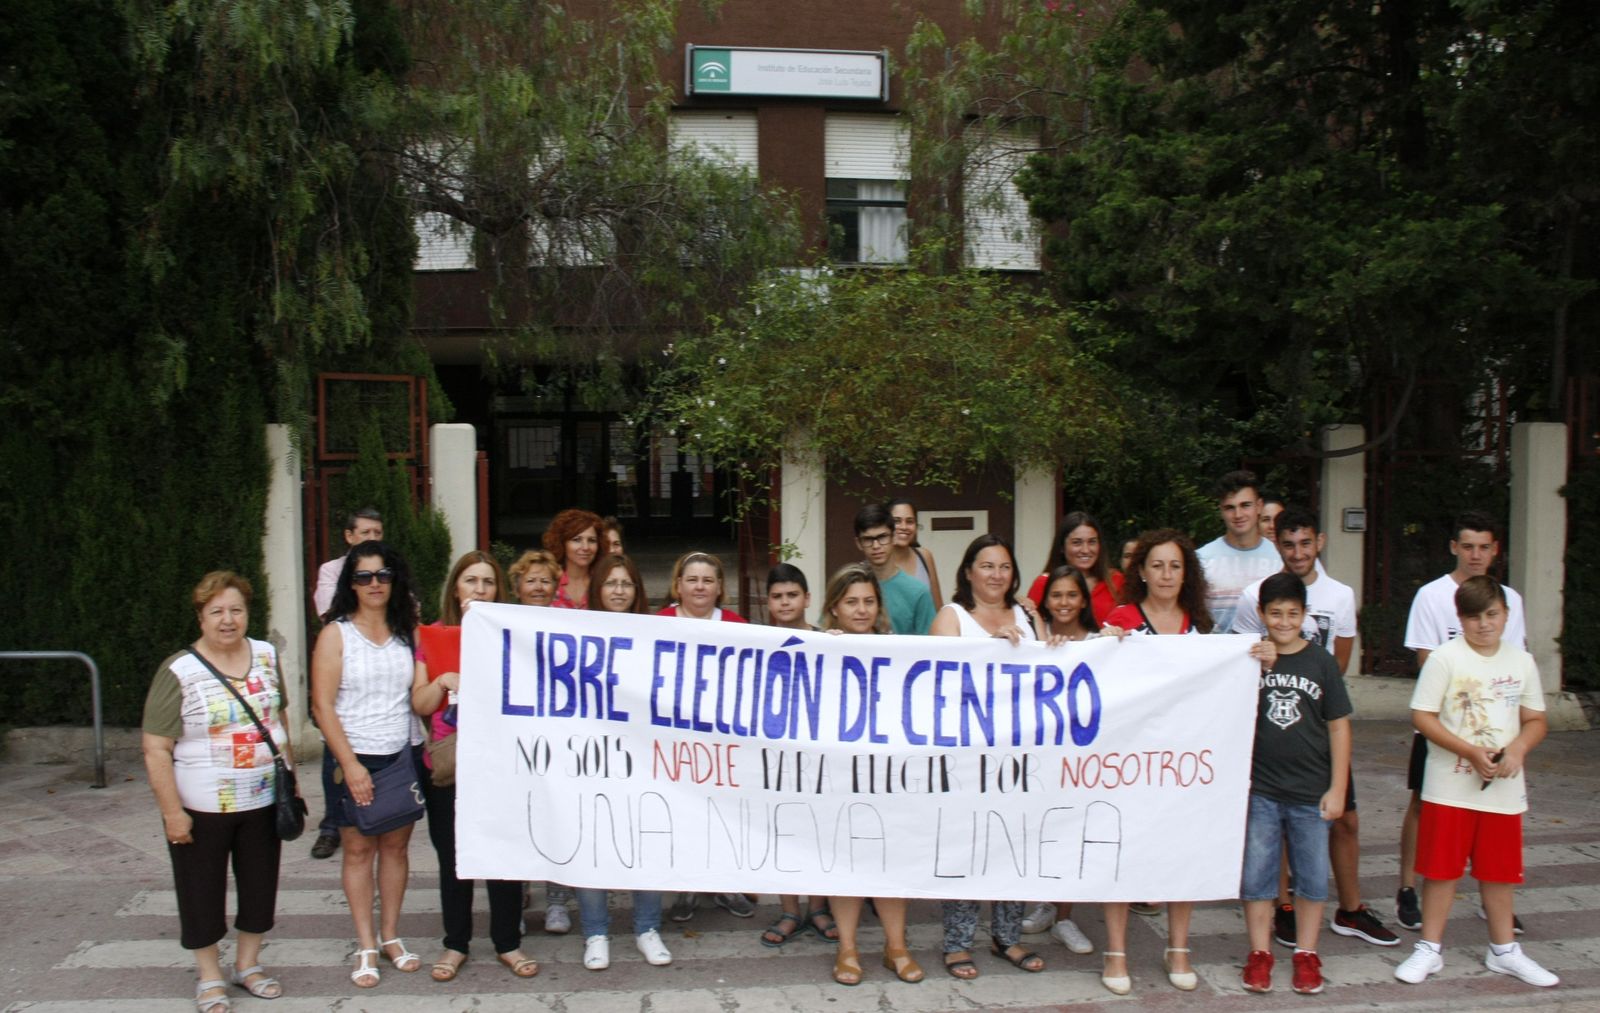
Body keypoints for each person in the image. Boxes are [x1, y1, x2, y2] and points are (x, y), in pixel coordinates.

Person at [1232, 508, 1397, 948]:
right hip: (1269, 752)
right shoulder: (1254, 596)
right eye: (1289, 544)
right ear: (1277, 543)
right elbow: (1238, 658)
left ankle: (1350, 909)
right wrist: (1261, 655)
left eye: (1305, 543)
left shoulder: (1340, 596)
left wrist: (1308, 677)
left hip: (1318, 732)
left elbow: (1338, 664)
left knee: (1339, 821)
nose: (1298, 552)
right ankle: (1280, 913)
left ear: (1319, 542)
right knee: (1271, 830)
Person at [143, 572, 296, 1011]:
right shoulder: (179, 670)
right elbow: (155, 747)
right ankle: (210, 975)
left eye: (236, 610)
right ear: (201, 617)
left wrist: (290, 779)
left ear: (248, 613)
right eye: (217, 612)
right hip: (201, 806)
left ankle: (248, 965)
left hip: (264, 800)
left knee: (259, 886)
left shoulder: (267, 655)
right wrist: (173, 813)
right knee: (201, 890)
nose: (227, 620)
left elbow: (277, 719)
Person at [1393, 577, 1556, 988]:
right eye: (1474, 616)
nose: (1484, 624)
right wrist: (1468, 751)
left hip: (1503, 787)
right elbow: (1423, 716)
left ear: (1505, 615)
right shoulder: (1445, 659)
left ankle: (1504, 950)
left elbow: (1536, 719)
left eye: (1492, 615)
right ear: (1460, 619)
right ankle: (1429, 948)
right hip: (1449, 785)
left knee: (1499, 872)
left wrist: (1518, 749)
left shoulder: (1521, 662)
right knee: (1441, 869)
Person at [1099, 529, 1239, 993]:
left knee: (1184, 853)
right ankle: (1115, 952)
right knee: (1121, 854)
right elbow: (1097, 676)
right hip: (1128, 762)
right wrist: (1103, 646)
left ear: (1187, 574)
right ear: (1140, 571)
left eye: (1175, 566)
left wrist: (1252, 656)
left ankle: (1178, 947)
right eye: (1156, 565)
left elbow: (1221, 682)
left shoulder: (1199, 625)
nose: (1166, 574)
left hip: (1181, 765)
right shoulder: (1121, 619)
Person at [1396, 512, 1529, 934]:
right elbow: (1425, 658)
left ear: (1495, 550)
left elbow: (1514, 661)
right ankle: (1407, 889)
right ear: (1454, 547)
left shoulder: (1510, 599)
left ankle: (1496, 908)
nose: (1476, 554)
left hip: (1494, 733)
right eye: (1468, 546)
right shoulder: (1431, 596)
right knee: (1425, 804)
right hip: (1444, 727)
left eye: (1484, 547)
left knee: (1493, 817)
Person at [411, 551, 540, 982]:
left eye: (487, 583)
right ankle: (455, 944)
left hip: (501, 763)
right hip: (449, 764)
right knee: (453, 856)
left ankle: (507, 942)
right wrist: (443, 680)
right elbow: (420, 703)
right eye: (471, 581)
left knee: (500, 852)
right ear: (455, 589)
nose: (479, 590)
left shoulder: (516, 636)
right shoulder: (429, 637)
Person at [930, 534, 1048, 979]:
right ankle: (958, 942)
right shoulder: (952, 617)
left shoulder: (1028, 614)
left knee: (1013, 843)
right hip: (967, 756)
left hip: (1019, 753)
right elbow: (938, 682)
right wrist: (987, 648)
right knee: (967, 845)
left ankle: (1007, 937)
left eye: (1004, 567)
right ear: (967, 572)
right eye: (987, 566)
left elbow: (1052, 670)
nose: (997, 575)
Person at [311, 541, 424, 988]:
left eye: (382, 575)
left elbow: (417, 693)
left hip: (400, 755)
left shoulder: (407, 631)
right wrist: (352, 765)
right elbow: (322, 707)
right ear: (350, 584)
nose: (374, 584)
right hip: (350, 757)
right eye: (363, 577)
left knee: (396, 850)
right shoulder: (335, 634)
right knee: (358, 851)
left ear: (394, 579)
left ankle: (392, 936)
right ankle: (366, 944)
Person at [1239, 573, 1352, 995]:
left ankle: (1306, 952)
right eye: (1274, 613)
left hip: (1311, 790)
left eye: (1292, 613)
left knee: (1311, 877)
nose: (1284, 621)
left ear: (1305, 614)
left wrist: (1337, 787)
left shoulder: (1321, 661)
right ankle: (1259, 952)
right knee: (1257, 877)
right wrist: (1255, 664)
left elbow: (1339, 727)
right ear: (1261, 615)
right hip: (1262, 790)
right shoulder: (1248, 657)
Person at [818, 563, 924, 985]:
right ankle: (847, 948)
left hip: (889, 774)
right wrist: (819, 650)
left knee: (891, 860)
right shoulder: (819, 647)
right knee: (846, 861)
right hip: (839, 775)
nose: (861, 610)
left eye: (868, 601)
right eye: (851, 602)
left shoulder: (898, 648)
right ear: (834, 608)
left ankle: (895, 946)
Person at [573, 553, 675, 970]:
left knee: (644, 841)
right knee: (592, 843)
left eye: (626, 584)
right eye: (611, 583)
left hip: (643, 757)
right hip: (591, 757)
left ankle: (647, 928)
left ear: (637, 591)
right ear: (597, 588)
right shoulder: (576, 633)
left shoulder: (655, 634)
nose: (618, 591)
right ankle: (595, 933)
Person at [655, 551, 754, 921]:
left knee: (723, 813)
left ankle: (726, 882)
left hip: (723, 738)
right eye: (692, 579)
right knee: (683, 811)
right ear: (678, 585)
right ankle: (686, 886)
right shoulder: (658, 622)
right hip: (673, 737)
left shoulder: (736, 624)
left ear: (719, 588)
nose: (699, 586)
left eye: (707, 580)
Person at [754, 563, 840, 947]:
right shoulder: (752, 643)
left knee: (820, 833)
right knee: (782, 831)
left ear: (807, 598)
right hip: (774, 755)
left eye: (792, 595)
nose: (785, 602)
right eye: (777, 596)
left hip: (821, 755)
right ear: (768, 602)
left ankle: (819, 908)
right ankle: (790, 910)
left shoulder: (830, 640)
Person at [1022, 566, 1102, 954]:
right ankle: (1044, 903)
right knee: (1042, 833)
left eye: (1072, 595)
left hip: (1081, 760)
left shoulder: (1098, 642)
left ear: (1083, 601)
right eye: (1057, 595)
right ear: (1045, 600)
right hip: (1040, 756)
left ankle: (1066, 916)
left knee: (1072, 836)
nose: (1065, 603)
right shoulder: (1033, 640)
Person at [309, 507, 384, 861]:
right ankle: (331, 827)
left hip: (380, 672)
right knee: (335, 758)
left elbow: (409, 610)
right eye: (365, 533)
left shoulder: (389, 569)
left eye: (377, 533)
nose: (371, 539)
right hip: (343, 669)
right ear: (349, 536)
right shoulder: (331, 571)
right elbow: (330, 613)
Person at [507, 546, 575, 931]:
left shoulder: (571, 625)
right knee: (517, 823)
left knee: (556, 822)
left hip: (558, 741)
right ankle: (514, 901)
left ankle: (557, 902)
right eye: (530, 580)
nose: (537, 586)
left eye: (545, 580)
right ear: (517, 586)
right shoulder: (499, 623)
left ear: (555, 587)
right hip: (513, 740)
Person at [1196, 470, 1283, 634]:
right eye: (1230, 507)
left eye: (1245, 505)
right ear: (1221, 510)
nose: (1238, 514)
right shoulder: (1201, 559)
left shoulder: (1281, 558)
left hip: (1269, 656)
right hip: (1219, 656)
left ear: (1259, 506)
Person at [1025, 511, 1125, 625]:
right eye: (1077, 543)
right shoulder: (1044, 583)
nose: (1086, 550)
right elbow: (1030, 628)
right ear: (1062, 547)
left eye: (1092, 542)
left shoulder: (1116, 581)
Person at [856, 503, 936, 635]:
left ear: (893, 537)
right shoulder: (846, 586)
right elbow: (827, 629)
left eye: (882, 537)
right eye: (868, 539)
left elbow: (932, 644)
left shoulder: (918, 592)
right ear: (859, 543)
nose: (876, 546)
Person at [888, 498, 944, 608]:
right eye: (897, 521)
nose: (904, 527)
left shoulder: (924, 556)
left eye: (909, 521)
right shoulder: (876, 562)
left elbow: (938, 607)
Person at [543, 508, 603, 609]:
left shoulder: (603, 582)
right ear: (562, 543)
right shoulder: (548, 580)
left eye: (592, 540)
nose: (585, 547)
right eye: (577, 540)